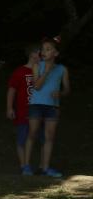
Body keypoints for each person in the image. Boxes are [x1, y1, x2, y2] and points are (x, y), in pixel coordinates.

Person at [22, 38, 70, 178]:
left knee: (49, 137)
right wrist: (47, 71)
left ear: (55, 53)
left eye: (48, 49)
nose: (44, 52)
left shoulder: (62, 69)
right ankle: (26, 166)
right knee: (32, 133)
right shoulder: (37, 66)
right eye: (43, 49)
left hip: (52, 106)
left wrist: (60, 93)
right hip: (36, 104)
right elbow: (36, 86)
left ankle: (46, 168)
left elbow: (67, 89)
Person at [6, 43, 41, 172]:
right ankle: (24, 165)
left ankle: (39, 164)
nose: (42, 55)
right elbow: (11, 90)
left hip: (38, 112)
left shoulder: (42, 71)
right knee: (22, 138)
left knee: (38, 138)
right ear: (32, 54)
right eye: (39, 53)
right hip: (23, 112)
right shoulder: (20, 71)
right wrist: (9, 108)